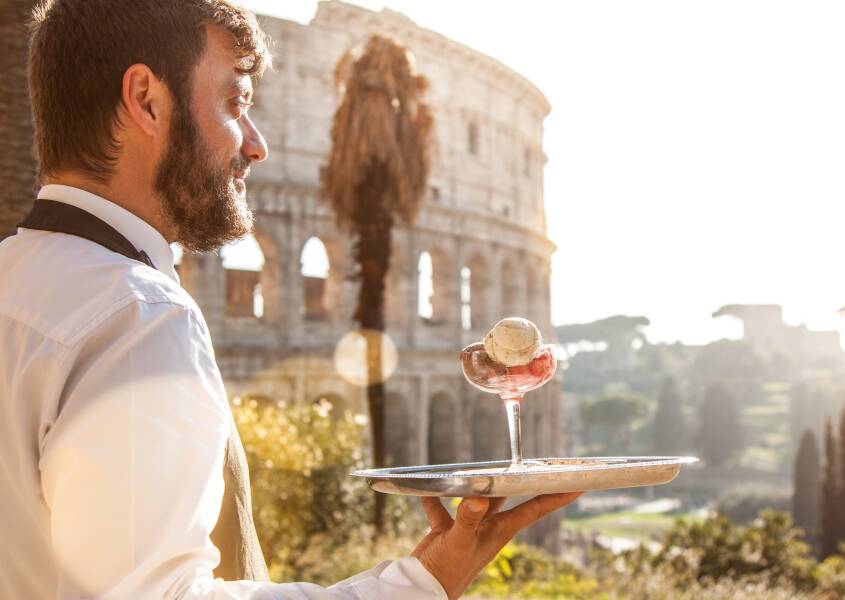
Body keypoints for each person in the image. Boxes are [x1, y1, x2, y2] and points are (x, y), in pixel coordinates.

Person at [0, 1, 581, 598]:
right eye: (237, 103)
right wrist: (419, 583)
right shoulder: (137, 317)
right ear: (147, 100)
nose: (257, 146)